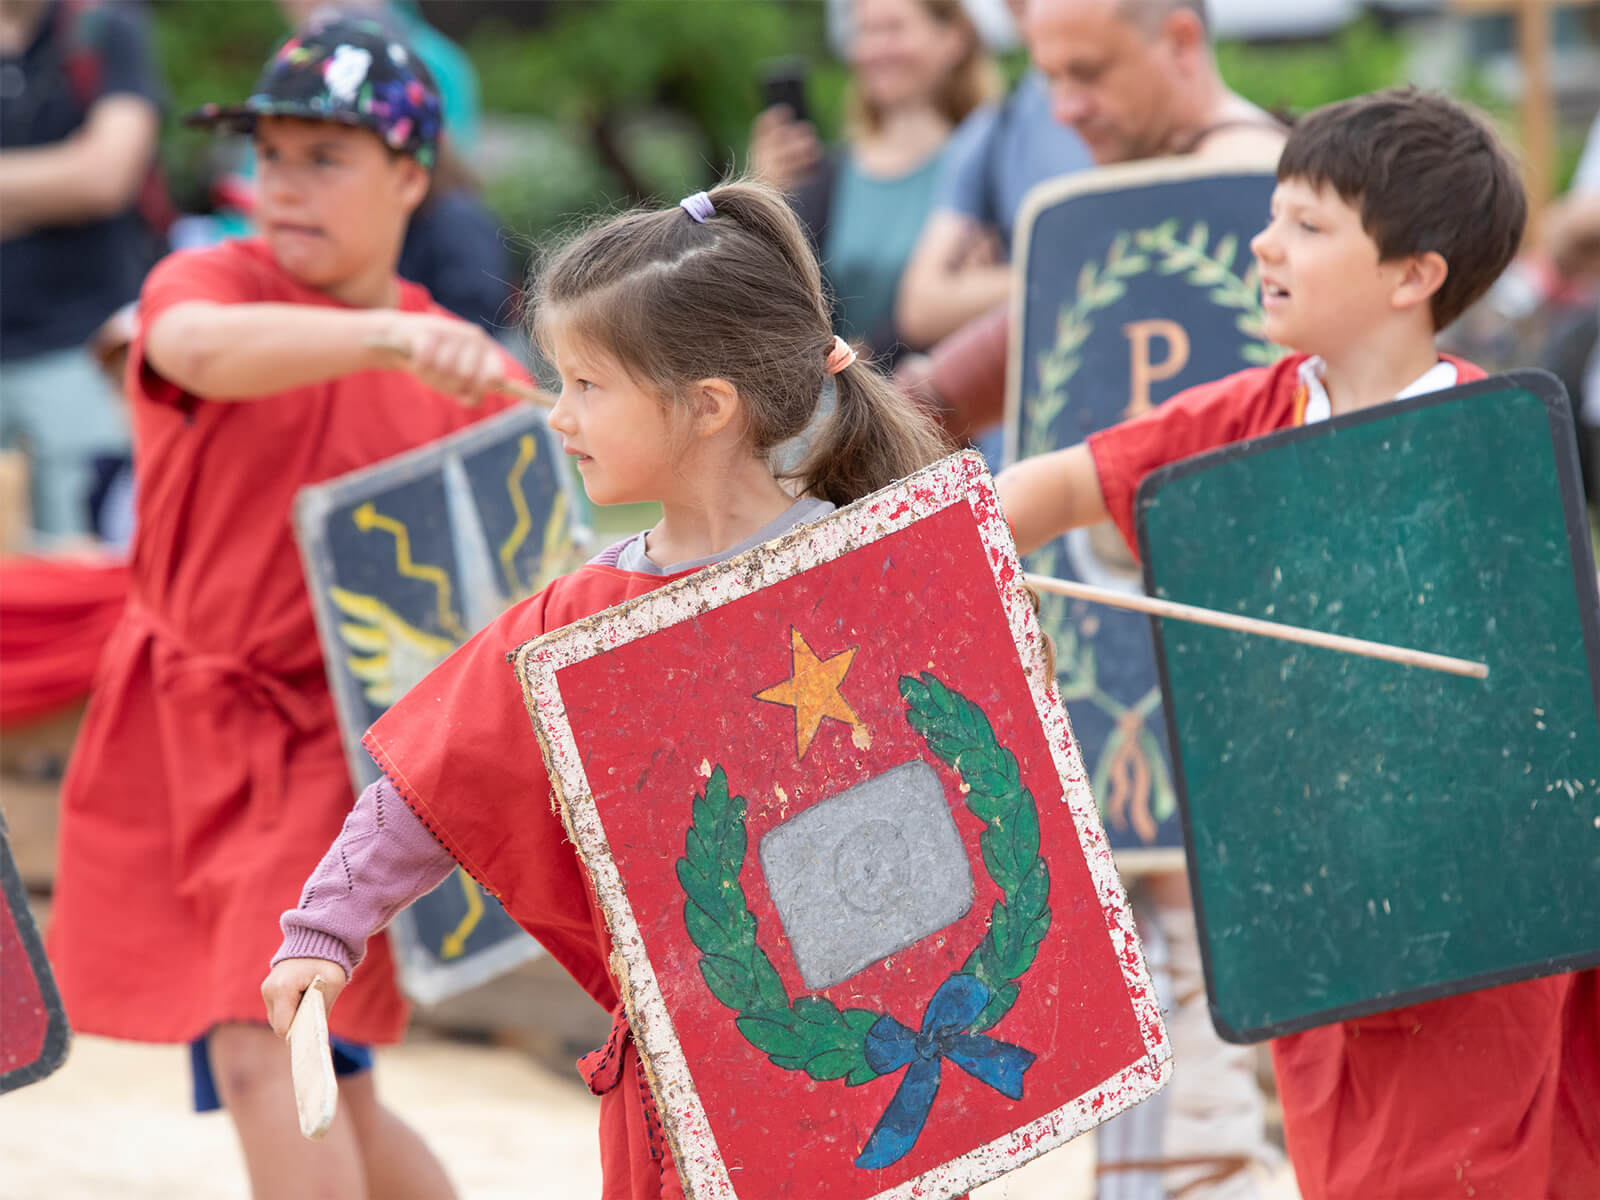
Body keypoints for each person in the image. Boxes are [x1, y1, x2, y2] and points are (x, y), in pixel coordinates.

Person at [261, 180, 951, 1200]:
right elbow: (431, 782)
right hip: (693, 1080)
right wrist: (324, 926)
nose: (556, 413)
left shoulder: (875, 569)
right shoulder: (585, 613)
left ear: (707, 406)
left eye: (587, 384)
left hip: (885, 1061)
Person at [997, 86, 1600, 1200]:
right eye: (1274, 215)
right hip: (1312, 911)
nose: (1263, 244)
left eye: (1309, 226)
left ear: (1413, 275)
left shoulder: (1487, 452)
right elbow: (1038, 494)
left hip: (1473, 923)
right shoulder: (1243, 415)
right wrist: (973, 583)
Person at [44, 17, 527, 1200]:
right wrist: (385, 339)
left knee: (272, 1052)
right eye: (273, 157)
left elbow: (541, 538)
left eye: (329, 157)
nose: (288, 186)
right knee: (332, 1078)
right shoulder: (211, 277)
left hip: (330, 762)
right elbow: (193, 346)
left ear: (412, 174)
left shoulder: (464, 370)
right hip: (178, 733)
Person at [907, 0, 1284, 443]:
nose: (1065, 111)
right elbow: (1032, 336)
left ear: (1181, 43)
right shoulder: (1169, 172)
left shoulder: (1242, 179)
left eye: (1088, 73)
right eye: (1052, 79)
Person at [750, 0, 1000, 362]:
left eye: (894, 28)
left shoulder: (988, 167)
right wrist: (765, 195)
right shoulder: (829, 174)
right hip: (836, 401)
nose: (875, 49)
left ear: (953, 39)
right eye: (865, 31)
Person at [0, 0, 163, 539]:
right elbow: (88, 174)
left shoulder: (101, 29)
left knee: (86, 565)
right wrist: (61, 174)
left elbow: (106, 177)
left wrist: (85, 173)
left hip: (85, 351)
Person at [893, 0, 1093, 352]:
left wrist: (991, 285)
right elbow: (921, 305)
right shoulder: (994, 130)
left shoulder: (1156, 111)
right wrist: (1071, 276)